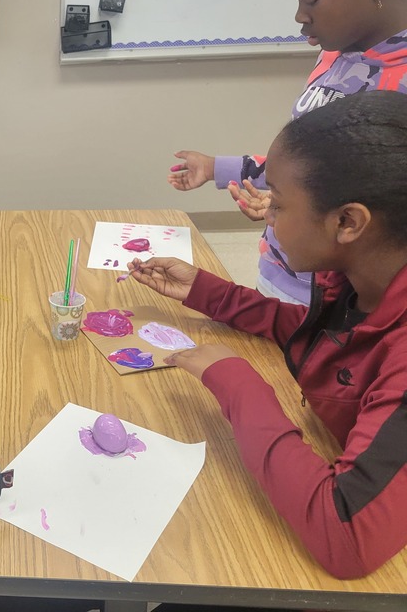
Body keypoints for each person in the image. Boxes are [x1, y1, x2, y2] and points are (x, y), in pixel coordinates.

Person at [131, 91, 407, 579]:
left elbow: (346, 537)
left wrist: (237, 384)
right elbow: (321, 336)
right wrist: (208, 293)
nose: (269, 219)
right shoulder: (366, 278)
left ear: (348, 221)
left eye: (277, 204)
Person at [166, 0, 407, 306]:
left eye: (311, 0)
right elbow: (306, 163)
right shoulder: (334, 57)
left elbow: (381, 221)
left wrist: (289, 208)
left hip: (341, 305)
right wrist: (221, 169)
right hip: (283, 275)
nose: (300, 16)